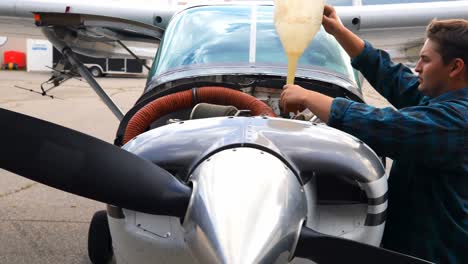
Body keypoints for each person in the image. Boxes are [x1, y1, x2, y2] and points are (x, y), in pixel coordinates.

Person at [281, 5, 468, 264]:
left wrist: (309, 97)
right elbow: (393, 76)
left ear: (455, 67)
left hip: (431, 254)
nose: (417, 68)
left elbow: (386, 126)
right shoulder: (442, 100)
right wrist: (337, 30)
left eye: (425, 60)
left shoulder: (456, 122)